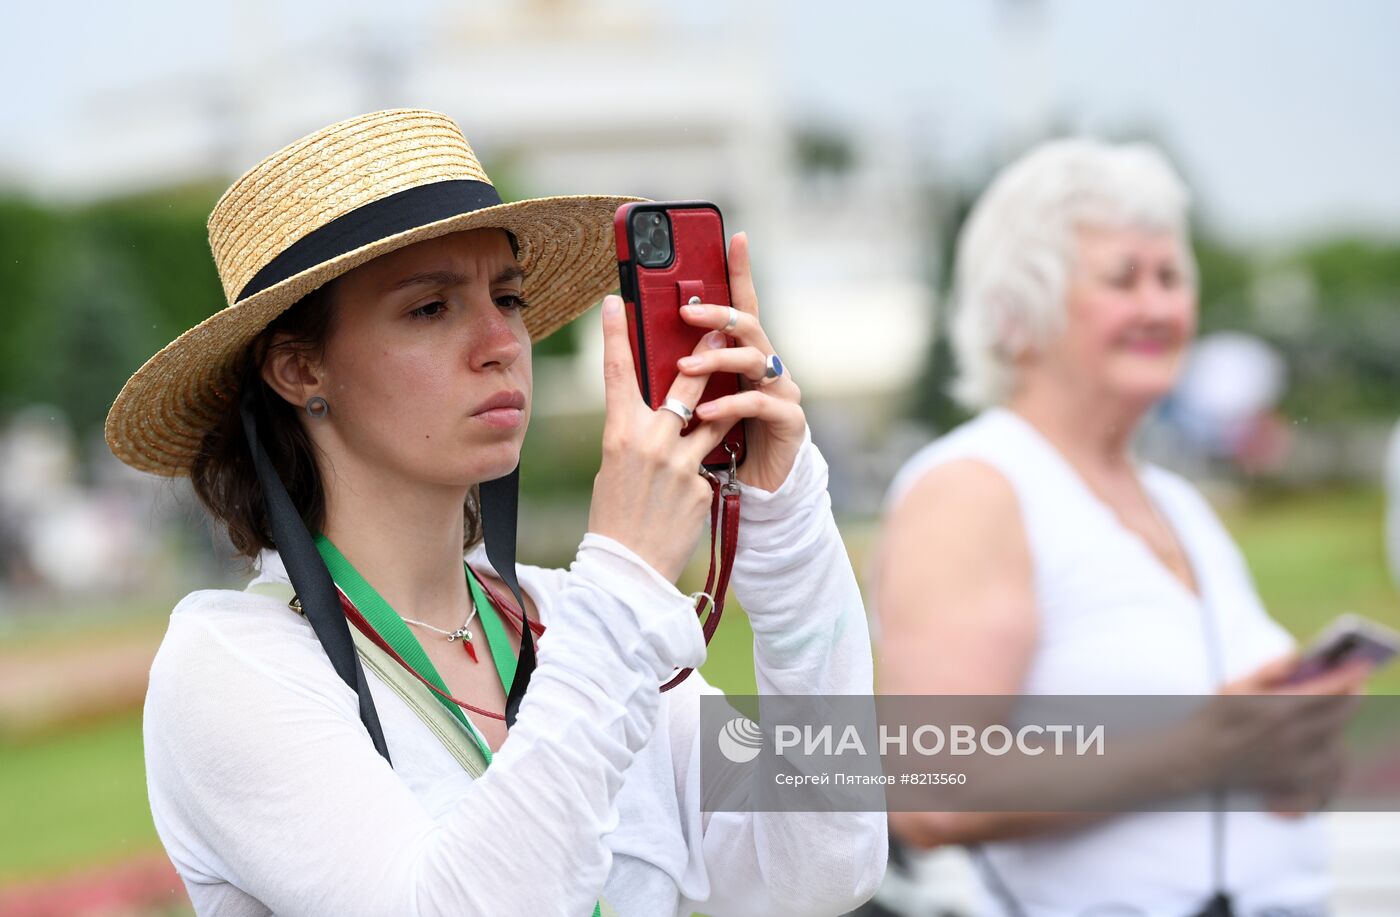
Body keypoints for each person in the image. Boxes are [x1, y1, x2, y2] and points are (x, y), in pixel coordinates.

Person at [106, 109, 885, 916]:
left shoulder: (572, 624)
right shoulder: (231, 663)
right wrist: (622, 583)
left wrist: (786, 527)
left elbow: (824, 865)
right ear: (300, 368)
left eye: (507, 297)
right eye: (429, 309)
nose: (501, 341)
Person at [871, 139, 1369, 916]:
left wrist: (1294, 749)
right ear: (1020, 311)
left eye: (1171, 276)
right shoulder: (974, 488)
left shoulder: (1180, 501)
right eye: (1123, 279)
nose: (1160, 308)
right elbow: (933, 792)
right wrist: (1205, 748)